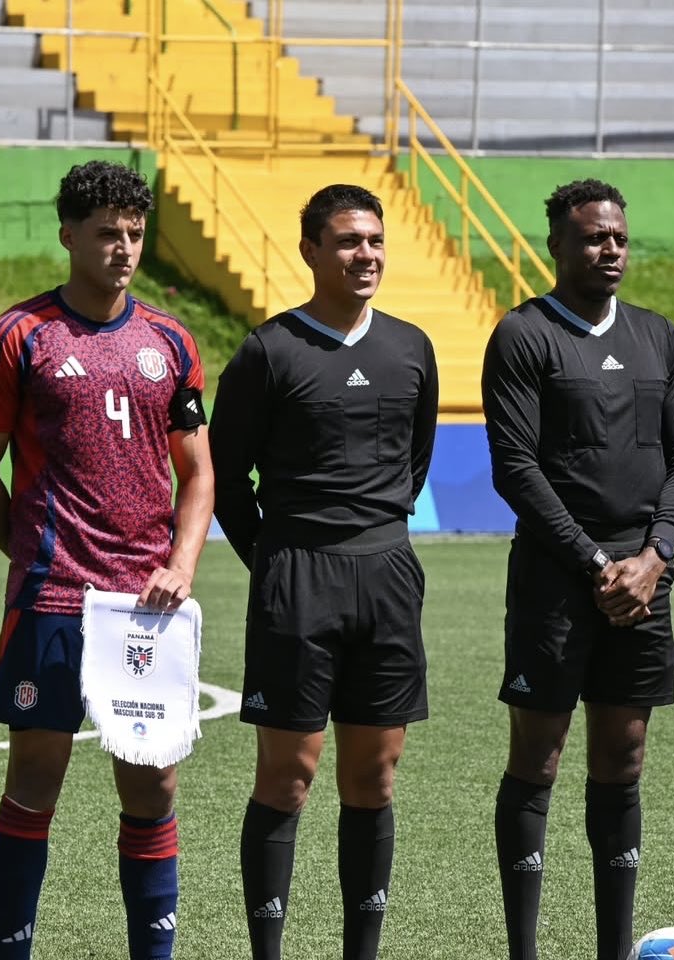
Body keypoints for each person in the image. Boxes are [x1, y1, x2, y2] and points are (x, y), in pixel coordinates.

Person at [0, 160, 213, 959]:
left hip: (147, 607)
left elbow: (199, 474)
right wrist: (32, 555)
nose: (122, 248)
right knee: (35, 781)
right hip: (54, 602)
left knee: (152, 784)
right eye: (106, 233)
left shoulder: (169, 340)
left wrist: (182, 566)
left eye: (134, 234)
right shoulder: (17, 338)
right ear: (68, 235)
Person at [209, 183, 438, 960]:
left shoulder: (412, 348)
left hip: (386, 574)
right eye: (347, 241)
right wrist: (275, 562)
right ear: (310, 250)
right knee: (289, 776)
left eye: (373, 240)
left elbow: (415, 460)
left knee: (374, 779)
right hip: (297, 578)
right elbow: (225, 477)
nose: (364, 254)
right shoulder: (270, 350)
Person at [481, 178, 674, 960]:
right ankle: (525, 950)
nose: (610, 251)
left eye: (618, 238)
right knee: (538, 757)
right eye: (593, 239)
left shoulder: (658, 336)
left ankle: (613, 950)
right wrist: (597, 562)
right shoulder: (523, 334)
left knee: (624, 756)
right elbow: (514, 467)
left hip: (646, 581)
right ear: (558, 247)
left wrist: (656, 555)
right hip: (557, 581)